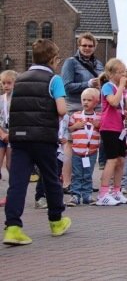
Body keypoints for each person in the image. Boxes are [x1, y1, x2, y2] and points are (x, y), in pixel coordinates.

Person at [3, 39, 71, 245]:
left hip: (20, 138)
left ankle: (13, 227)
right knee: (50, 178)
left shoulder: (20, 79)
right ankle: (56, 221)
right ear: (53, 59)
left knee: (17, 182)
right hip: (43, 138)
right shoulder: (54, 80)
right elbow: (61, 109)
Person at [61, 32, 105, 194]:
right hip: (75, 104)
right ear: (78, 46)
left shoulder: (99, 65)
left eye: (90, 46)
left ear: (95, 47)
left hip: (95, 106)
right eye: (84, 45)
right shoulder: (70, 63)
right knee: (72, 143)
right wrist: (87, 83)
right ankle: (67, 182)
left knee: (91, 142)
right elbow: (66, 86)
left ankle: (85, 182)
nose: (87, 48)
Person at [96, 58, 127, 206]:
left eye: (125, 72)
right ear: (111, 73)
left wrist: (126, 114)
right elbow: (113, 102)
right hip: (109, 127)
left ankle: (117, 191)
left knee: (121, 160)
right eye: (120, 72)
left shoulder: (118, 89)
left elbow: (120, 107)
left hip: (119, 128)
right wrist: (122, 86)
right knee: (111, 160)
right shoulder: (107, 87)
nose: (123, 75)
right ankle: (103, 193)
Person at [66, 88, 101, 206]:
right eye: (84, 100)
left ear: (96, 102)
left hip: (91, 151)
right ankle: (75, 195)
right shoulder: (75, 115)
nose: (85, 102)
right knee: (76, 173)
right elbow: (69, 129)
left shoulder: (99, 117)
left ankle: (87, 195)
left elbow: (103, 131)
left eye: (89, 100)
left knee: (88, 174)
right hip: (77, 150)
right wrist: (76, 126)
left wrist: (98, 126)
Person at [0, 70, 18, 201]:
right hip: (1, 134)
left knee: (10, 165)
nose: (6, 86)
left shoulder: (19, 100)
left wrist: (11, 134)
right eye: (3, 83)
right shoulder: (1, 100)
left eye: (9, 83)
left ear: (15, 84)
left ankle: (11, 194)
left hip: (13, 135)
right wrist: (2, 133)